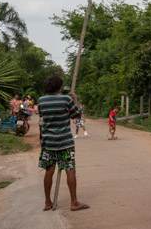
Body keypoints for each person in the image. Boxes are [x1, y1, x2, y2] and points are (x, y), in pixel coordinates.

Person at [37, 76, 89, 212]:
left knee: (49, 171)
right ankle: (74, 202)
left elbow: (43, 117)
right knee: (70, 169)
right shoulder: (66, 99)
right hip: (65, 142)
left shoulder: (41, 100)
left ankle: (48, 202)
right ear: (59, 87)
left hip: (48, 143)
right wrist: (74, 100)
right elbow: (77, 115)